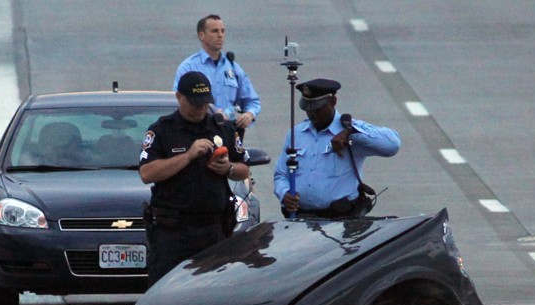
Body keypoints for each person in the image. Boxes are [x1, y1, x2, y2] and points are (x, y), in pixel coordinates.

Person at [140, 71, 250, 286]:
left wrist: (227, 168)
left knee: (214, 291)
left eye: (204, 103)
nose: (200, 108)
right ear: (179, 97)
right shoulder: (162, 130)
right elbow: (147, 173)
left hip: (213, 228)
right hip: (173, 230)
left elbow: (244, 169)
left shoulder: (223, 129)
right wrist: (188, 156)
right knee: (166, 290)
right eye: (194, 103)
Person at [274, 78, 401, 218]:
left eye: (317, 108)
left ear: (333, 102)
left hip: (339, 220)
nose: (312, 114)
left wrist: (351, 132)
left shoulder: (351, 130)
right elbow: (281, 174)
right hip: (300, 218)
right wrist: (284, 193)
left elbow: (392, 145)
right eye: (308, 109)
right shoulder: (296, 133)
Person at [173, 14, 261, 134]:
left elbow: (252, 100)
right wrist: (210, 112)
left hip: (229, 130)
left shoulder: (233, 67)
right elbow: (178, 101)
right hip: (200, 130)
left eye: (222, 31)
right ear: (201, 35)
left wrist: (249, 114)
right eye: (215, 31)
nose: (220, 35)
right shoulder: (189, 67)